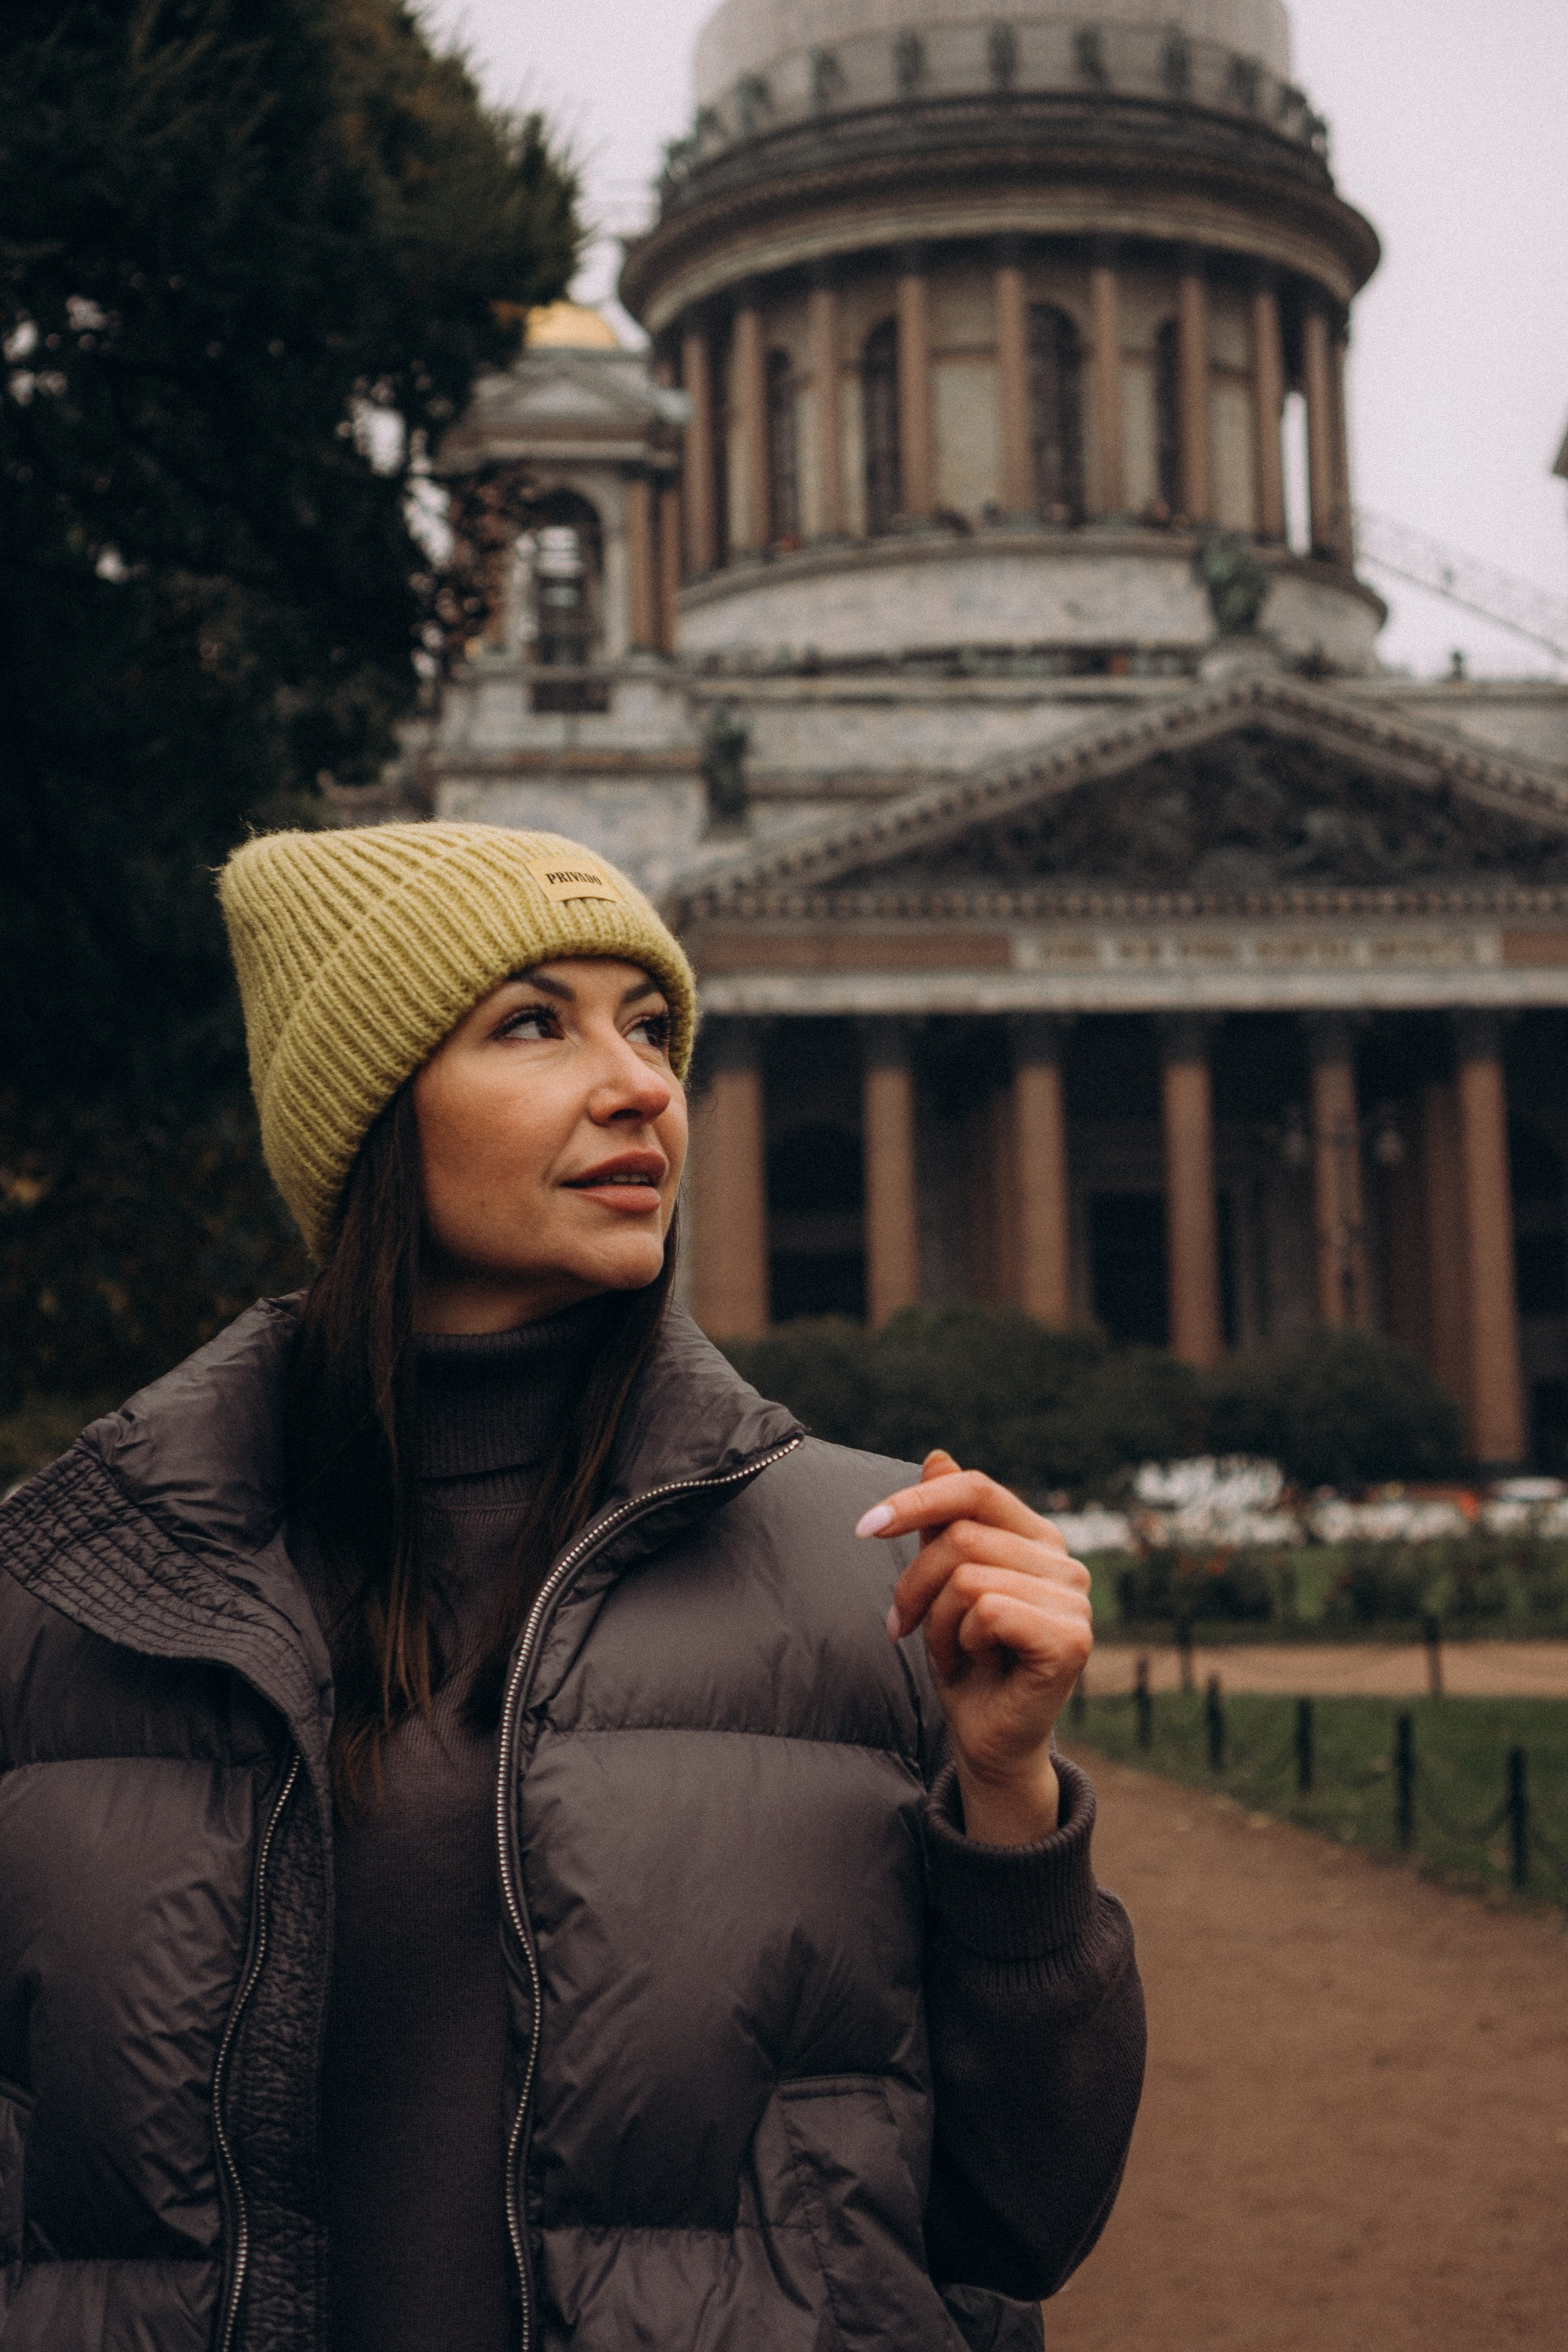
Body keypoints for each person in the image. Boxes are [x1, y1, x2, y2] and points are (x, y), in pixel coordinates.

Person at [0, 821, 1144, 2352]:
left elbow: (1019, 2220)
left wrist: (1010, 1804)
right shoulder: (65, 1594)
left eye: (652, 1027)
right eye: (533, 1023)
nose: (640, 1086)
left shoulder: (871, 1564)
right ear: (368, 1113)